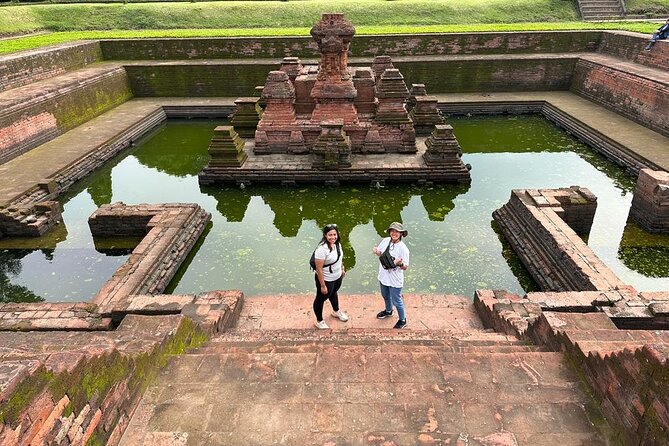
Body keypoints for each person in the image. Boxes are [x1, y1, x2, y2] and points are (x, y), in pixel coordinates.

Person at [372, 222, 410, 329]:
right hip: (384, 275)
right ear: (390, 232)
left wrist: (400, 263)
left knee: (397, 300)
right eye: (393, 231)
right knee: (385, 295)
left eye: (397, 231)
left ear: (401, 234)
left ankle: (403, 320)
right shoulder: (385, 241)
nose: (394, 233)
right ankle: (388, 311)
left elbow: (405, 266)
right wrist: (376, 251)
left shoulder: (403, 248)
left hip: (395, 278)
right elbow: (380, 253)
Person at [313, 223, 348, 329]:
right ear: (325, 235)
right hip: (326, 279)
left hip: (337, 276)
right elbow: (319, 269)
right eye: (330, 235)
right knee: (320, 299)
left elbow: (339, 257)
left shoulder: (337, 244)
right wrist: (323, 285)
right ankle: (319, 320)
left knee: (333, 293)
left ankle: (336, 311)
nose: (333, 237)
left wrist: (342, 269)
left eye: (334, 234)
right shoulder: (322, 249)